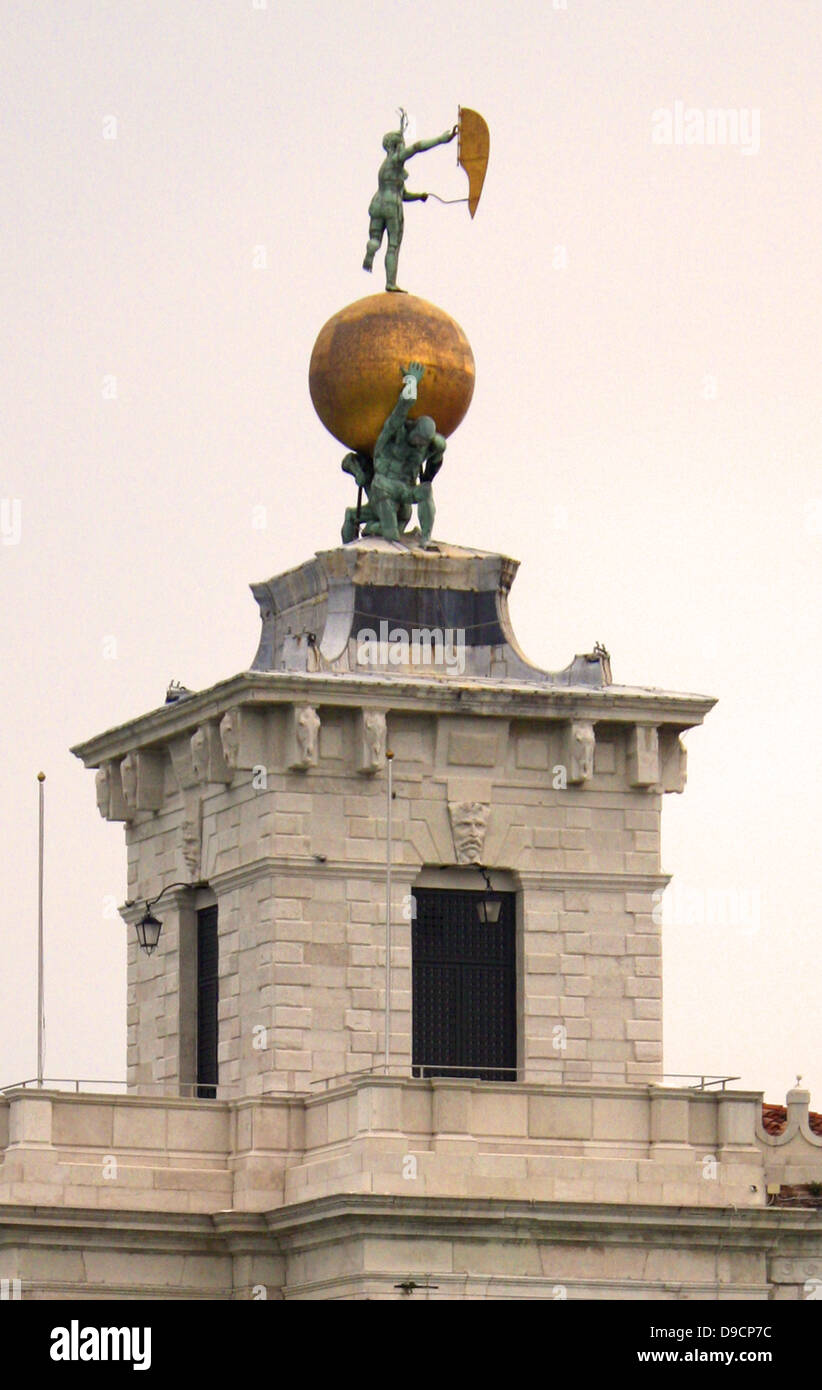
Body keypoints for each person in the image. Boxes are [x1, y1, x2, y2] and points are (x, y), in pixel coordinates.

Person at [341, 363, 446, 545]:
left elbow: (439, 450)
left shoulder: (426, 446)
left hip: (405, 490)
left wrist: (429, 475)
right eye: (419, 438)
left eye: (424, 441)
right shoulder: (394, 434)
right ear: (413, 429)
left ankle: (425, 538)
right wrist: (412, 382)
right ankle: (362, 537)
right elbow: (403, 407)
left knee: (425, 491)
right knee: (392, 537)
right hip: (384, 488)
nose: (420, 444)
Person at [363, 113, 457, 291]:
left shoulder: (386, 167)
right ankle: (390, 282)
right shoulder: (396, 159)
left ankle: (371, 249)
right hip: (392, 206)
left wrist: (419, 196)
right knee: (393, 245)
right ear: (396, 145)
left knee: (375, 238)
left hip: (378, 203)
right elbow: (417, 148)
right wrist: (441, 139)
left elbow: (404, 194)